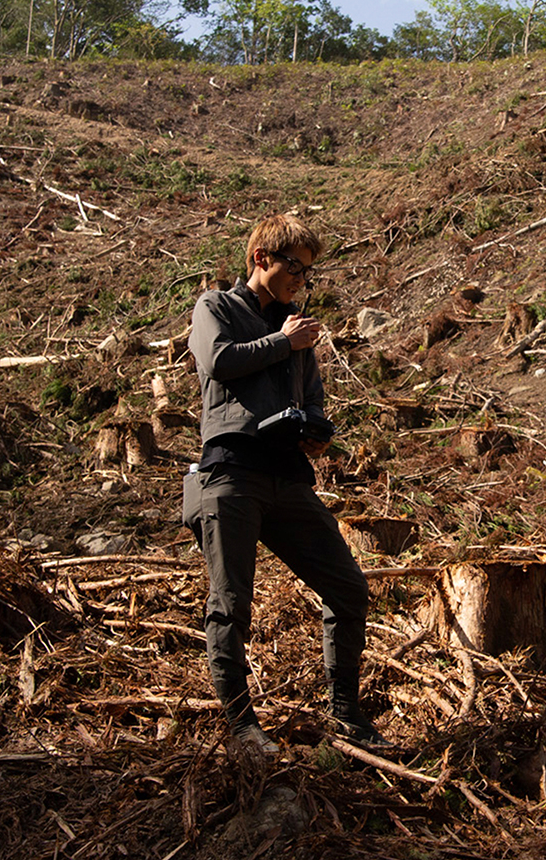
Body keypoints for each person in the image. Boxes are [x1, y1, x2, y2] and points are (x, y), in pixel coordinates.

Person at [187, 214, 387, 753]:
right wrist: (282, 341)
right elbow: (218, 361)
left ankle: (347, 714)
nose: (302, 281)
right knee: (230, 605)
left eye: (308, 273)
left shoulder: (297, 328)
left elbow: (313, 396)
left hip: (289, 478)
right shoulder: (216, 307)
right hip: (230, 473)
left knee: (347, 588)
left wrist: (317, 433)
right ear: (261, 259)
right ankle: (241, 728)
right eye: (295, 268)